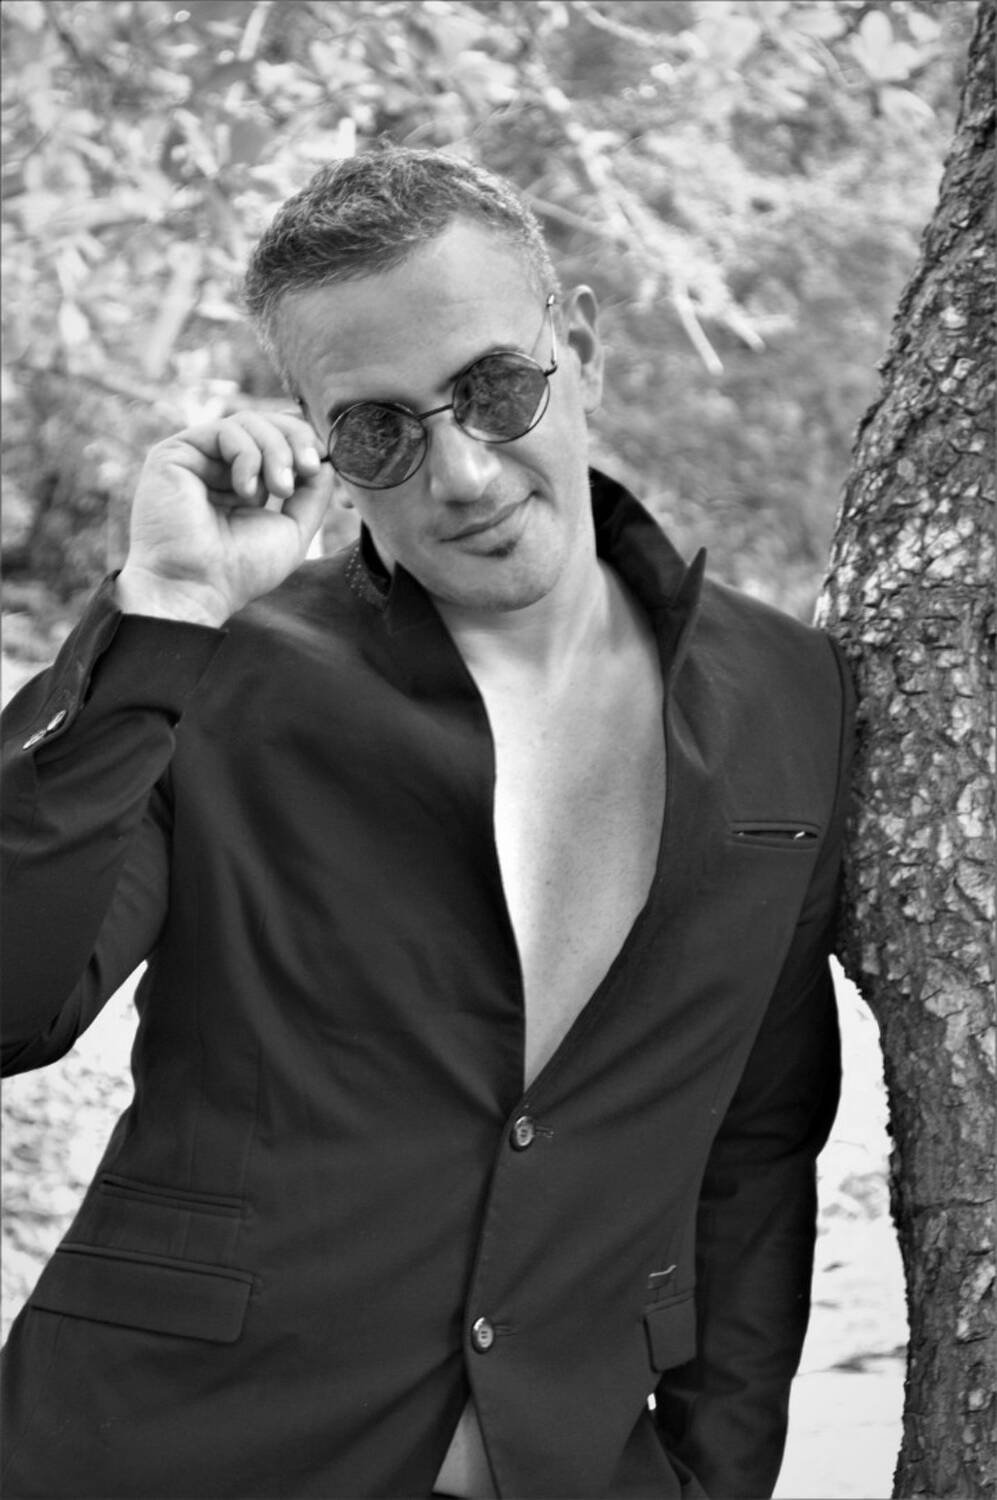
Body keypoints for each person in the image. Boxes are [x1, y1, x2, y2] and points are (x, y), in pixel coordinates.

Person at [1, 147, 854, 1500]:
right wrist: (162, 605)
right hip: (171, 1448)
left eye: (495, 388)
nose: (458, 471)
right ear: (318, 441)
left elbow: (755, 1143)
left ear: (578, 346)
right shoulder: (214, 664)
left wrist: (716, 1472)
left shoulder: (793, 694)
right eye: (380, 430)